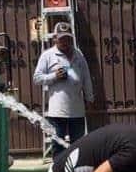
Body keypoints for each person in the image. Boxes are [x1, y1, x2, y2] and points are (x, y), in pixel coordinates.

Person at [33, 22, 94, 154]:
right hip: (57, 112)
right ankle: (58, 171)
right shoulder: (48, 55)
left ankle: (75, 171)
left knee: (78, 146)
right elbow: (37, 79)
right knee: (58, 146)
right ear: (55, 38)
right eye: (61, 39)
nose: (65, 42)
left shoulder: (78, 55)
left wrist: (89, 98)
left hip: (77, 110)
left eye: (67, 38)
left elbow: (86, 78)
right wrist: (54, 76)